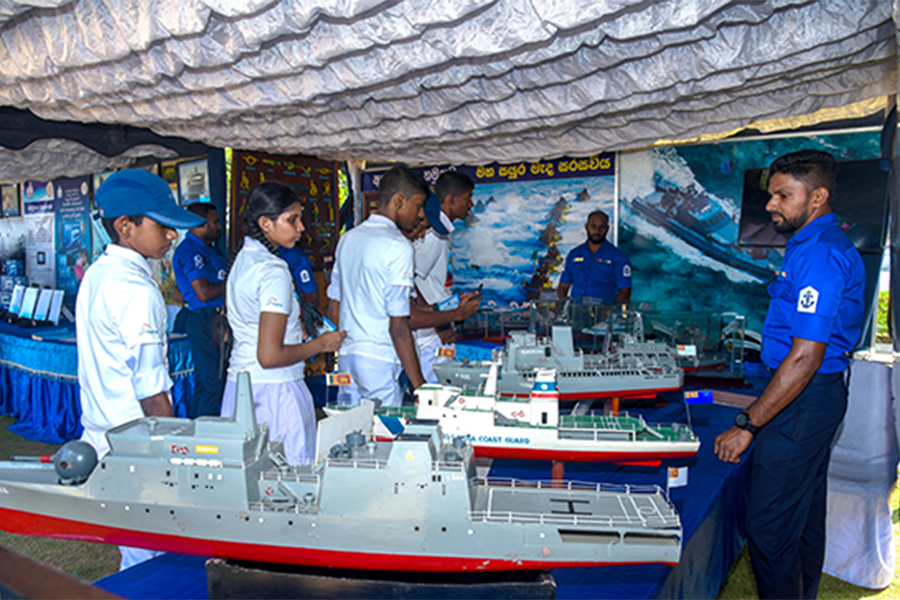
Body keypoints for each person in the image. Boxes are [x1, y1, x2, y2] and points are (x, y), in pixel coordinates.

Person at [714, 150, 865, 599]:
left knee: (769, 524)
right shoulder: (813, 244)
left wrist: (747, 425)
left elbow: (804, 358)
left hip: (803, 398)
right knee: (802, 518)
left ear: (817, 197)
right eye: (771, 194)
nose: (770, 205)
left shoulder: (818, 254)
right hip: (812, 396)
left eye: (783, 195)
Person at [76, 168, 206, 570]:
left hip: (103, 434)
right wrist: (174, 456)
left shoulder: (98, 274)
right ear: (125, 226)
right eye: (163, 226)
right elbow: (152, 393)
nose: (172, 236)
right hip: (138, 448)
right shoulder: (136, 291)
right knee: (153, 558)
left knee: (137, 549)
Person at [221, 181, 345, 465]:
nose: (301, 227)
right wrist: (321, 343)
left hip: (241, 388)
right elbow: (270, 355)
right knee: (290, 483)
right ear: (266, 223)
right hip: (276, 392)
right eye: (292, 219)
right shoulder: (272, 271)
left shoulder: (243, 260)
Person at [327, 165, 428, 407]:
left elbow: (334, 308)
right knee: (381, 435)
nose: (420, 214)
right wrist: (420, 386)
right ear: (399, 201)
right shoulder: (398, 246)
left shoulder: (348, 238)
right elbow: (399, 326)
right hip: (379, 360)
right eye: (418, 205)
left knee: (349, 433)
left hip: (348, 357)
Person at [413, 175, 481, 383]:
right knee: (436, 393)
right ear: (451, 199)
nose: (471, 204)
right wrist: (440, 323)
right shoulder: (433, 234)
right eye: (467, 198)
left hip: (439, 321)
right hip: (432, 330)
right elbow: (413, 277)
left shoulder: (443, 232)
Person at [172, 203, 227, 418]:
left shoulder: (209, 250)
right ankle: (203, 437)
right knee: (211, 383)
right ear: (199, 224)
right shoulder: (190, 251)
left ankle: (201, 429)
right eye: (214, 222)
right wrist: (234, 283)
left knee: (214, 382)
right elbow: (203, 292)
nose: (219, 227)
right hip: (204, 319)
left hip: (218, 318)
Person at [557, 210, 632, 304]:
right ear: (586, 227)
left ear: (607, 229)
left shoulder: (618, 257)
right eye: (594, 226)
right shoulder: (574, 254)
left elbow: (625, 292)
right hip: (576, 314)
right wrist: (563, 306)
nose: (597, 231)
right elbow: (563, 286)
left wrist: (609, 311)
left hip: (604, 315)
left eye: (602, 227)